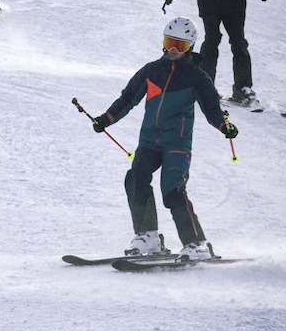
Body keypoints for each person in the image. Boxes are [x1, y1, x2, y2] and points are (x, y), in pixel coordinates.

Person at [91, 18, 238, 260]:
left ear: (190, 47)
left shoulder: (197, 77)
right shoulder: (151, 71)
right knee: (135, 178)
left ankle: (196, 243)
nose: (173, 50)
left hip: (176, 144)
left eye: (179, 46)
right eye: (169, 43)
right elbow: (128, 98)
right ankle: (148, 236)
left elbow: (212, 107)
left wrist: (224, 125)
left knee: (172, 190)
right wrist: (106, 119)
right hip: (149, 141)